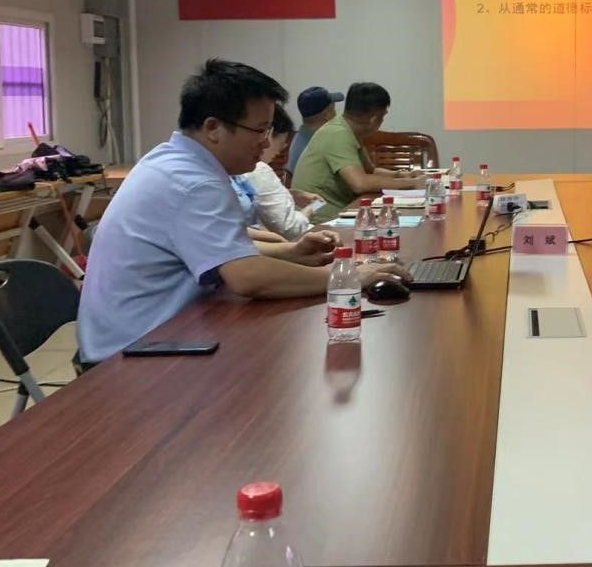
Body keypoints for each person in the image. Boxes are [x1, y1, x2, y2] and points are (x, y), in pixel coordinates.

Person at [77, 60, 403, 365]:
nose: (266, 143)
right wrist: (349, 277)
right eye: (260, 130)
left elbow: (220, 252)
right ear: (213, 128)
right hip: (134, 355)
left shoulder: (175, 161)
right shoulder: (193, 182)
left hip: (155, 335)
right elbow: (247, 278)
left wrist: (291, 253)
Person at [292, 81, 425, 223]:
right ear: (374, 118)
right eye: (383, 116)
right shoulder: (338, 133)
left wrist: (402, 175)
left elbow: (370, 172)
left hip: (337, 209)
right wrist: (412, 184)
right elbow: (360, 183)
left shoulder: (348, 129)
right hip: (317, 216)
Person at [245, 104, 324, 242]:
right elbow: (291, 229)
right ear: (268, 134)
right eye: (283, 140)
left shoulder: (235, 168)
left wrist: (291, 194)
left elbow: (257, 194)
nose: (284, 146)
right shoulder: (259, 170)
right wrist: (312, 208)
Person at [286, 86, 343, 175]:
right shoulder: (321, 145)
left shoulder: (301, 137)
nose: (336, 114)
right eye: (333, 110)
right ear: (327, 115)